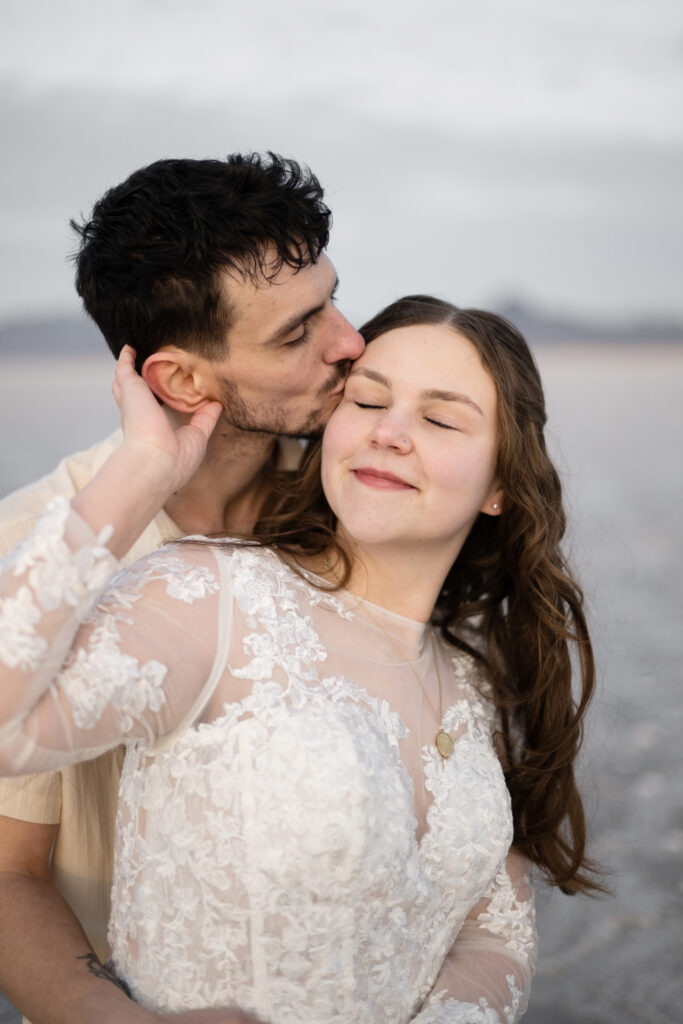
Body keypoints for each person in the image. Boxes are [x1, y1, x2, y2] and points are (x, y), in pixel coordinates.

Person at [0, 295, 601, 1023]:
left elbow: (491, 933)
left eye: (439, 419)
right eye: (367, 400)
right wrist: (142, 468)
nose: (389, 434)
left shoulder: (477, 682)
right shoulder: (207, 596)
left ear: (501, 485)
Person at [0, 152, 364, 1024]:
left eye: (332, 298)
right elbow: (8, 871)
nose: (349, 341)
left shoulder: (362, 500)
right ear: (182, 381)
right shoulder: (32, 554)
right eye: (295, 333)